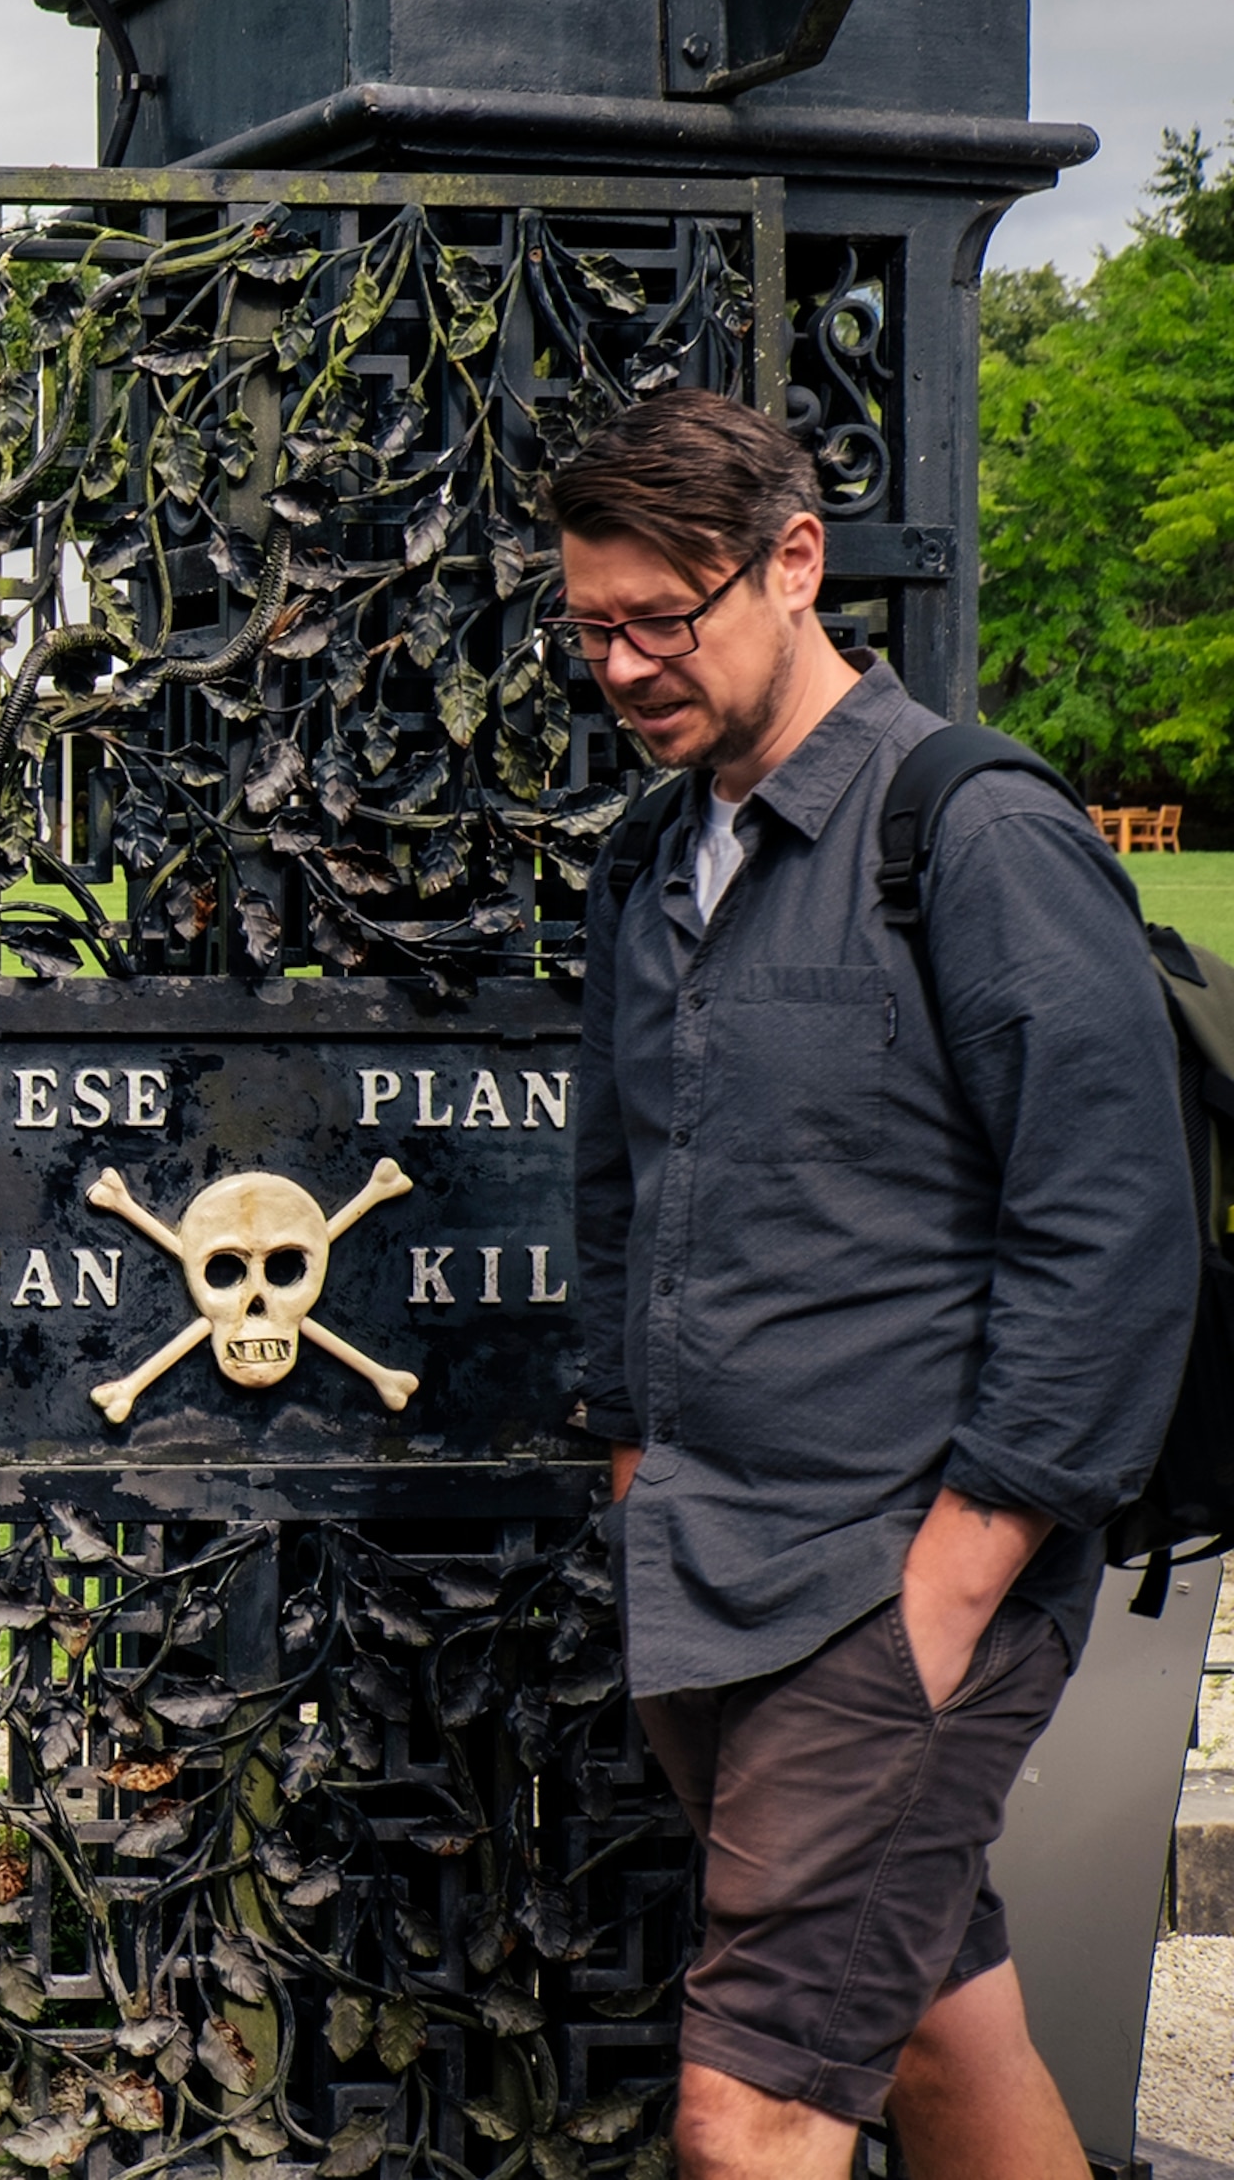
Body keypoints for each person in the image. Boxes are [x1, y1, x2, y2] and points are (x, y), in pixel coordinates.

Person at [562, 388, 1196, 2180]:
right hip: (702, 1563)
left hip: (888, 1575)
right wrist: (630, 1463)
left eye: (659, 620)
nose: (618, 668)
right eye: (587, 627)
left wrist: (953, 1578)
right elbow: (620, 1192)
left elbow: (1109, 1226)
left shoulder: (971, 832)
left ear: (793, 562)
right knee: (929, 2014)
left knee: (748, 2105)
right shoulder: (648, 857)